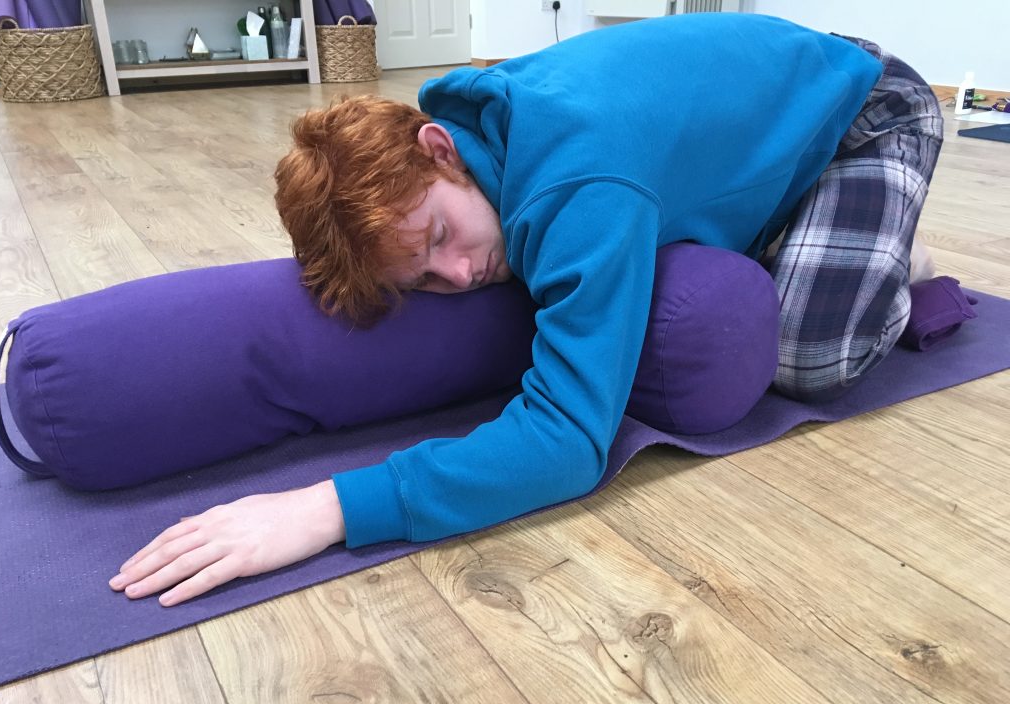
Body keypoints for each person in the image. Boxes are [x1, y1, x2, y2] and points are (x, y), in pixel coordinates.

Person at [109, 12, 943, 607]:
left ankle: (893, 263)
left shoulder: (577, 179)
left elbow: (567, 444)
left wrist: (324, 509)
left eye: (441, 232)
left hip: (862, 111)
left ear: (439, 148)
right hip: (749, 116)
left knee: (807, 362)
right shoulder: (476, 147)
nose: (463, 273)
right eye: (423, 279)